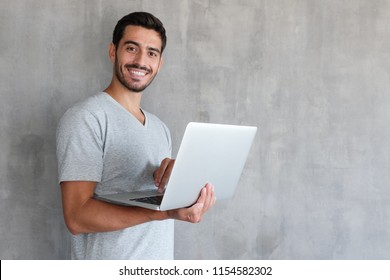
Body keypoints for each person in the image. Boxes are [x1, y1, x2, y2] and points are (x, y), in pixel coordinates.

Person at [56, 11, 215, 260]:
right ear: (113, 51)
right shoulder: (87, 117)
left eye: (152, 52)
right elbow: (77, 217)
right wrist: (165, 212)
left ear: (159, 63)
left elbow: (155, 199)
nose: (141, 61)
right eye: (132, 48)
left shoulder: (160, 128)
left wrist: (183, 186)